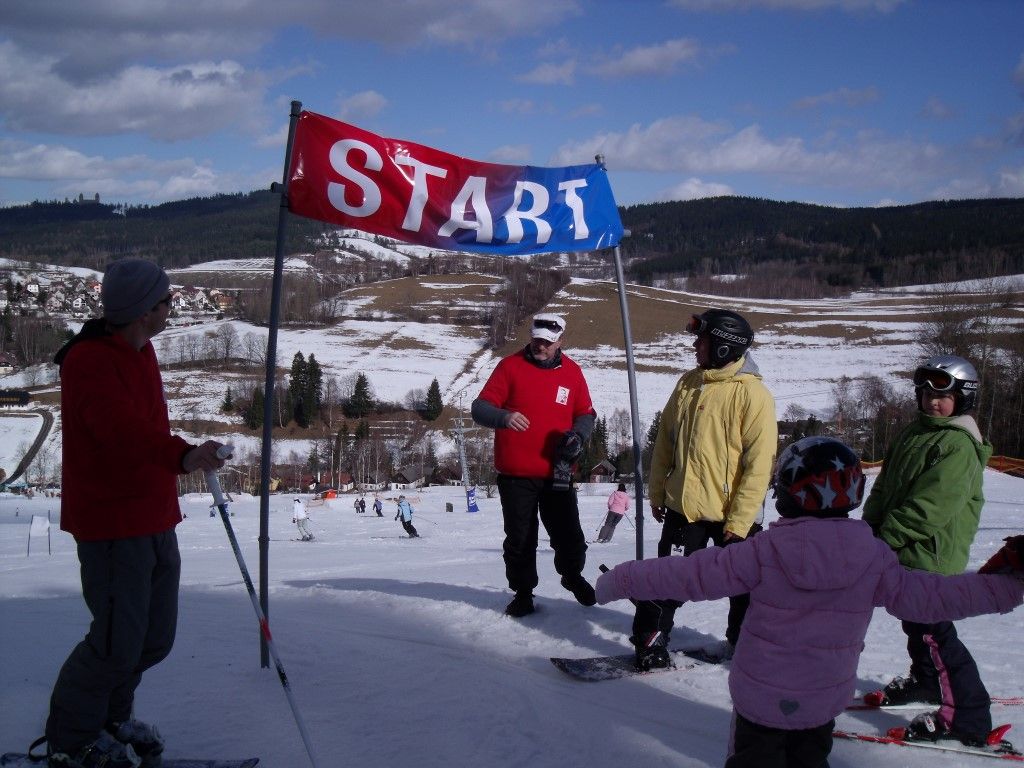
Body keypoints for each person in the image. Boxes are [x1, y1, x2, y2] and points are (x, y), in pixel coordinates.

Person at [596, 436, 1024, 768]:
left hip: (759, 698)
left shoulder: (763, 550)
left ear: (786, 491)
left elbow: (688, 575)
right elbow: (934, 596)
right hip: (823, 698)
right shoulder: (872, 556)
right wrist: (1012, 586)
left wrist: (618, 579)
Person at [43, 259, 229, 768]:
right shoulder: (89, 361)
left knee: (153, 640)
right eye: (167, 300)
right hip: (111, 524)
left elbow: (143, 432)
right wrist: (183, 456)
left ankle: (110, 720)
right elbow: (122, 433)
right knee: (113, 645)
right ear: (144, 309)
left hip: (154, 516)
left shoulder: (141, 351)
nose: (172, 307)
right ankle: (71, 742)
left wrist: (180, 460)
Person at [631, 308, 776, 670]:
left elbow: (759, 465)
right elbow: (665, 443)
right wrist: (657, 492)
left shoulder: (753, 395)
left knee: (746, 587)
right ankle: (651, 642)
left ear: (725, 346)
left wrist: (740, 521)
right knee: (666, 580)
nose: (695, 346)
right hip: (684, 508)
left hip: (734, 518)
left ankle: (744, 643)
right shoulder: (687, 384)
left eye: (703, 340)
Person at [861, 354, 995, 745]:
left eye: (943, 395)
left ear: (963, 398)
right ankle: (926, 681)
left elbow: (930, 507)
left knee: (934, 633)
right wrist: (869, 528)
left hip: (931, 554)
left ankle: (967, 716)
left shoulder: (958, 445)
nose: (933, 402)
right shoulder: (914, 433)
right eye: (926, 394)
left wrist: (887, 536)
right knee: (915, 623)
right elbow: (885, 486)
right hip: (904, 548)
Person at [471, 312, 597, 617]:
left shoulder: (573, 372)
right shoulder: (510, 366)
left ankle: (572, 576)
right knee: (520, 539)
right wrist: (503, 416)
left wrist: (579, 435)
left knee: (569, 535)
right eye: (537, 340)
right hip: (516, 475)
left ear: (560, 341)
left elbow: (586, 413)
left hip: (559, 471)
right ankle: (523, 593)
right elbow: (480, 408)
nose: (541, 346)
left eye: (548, 342)